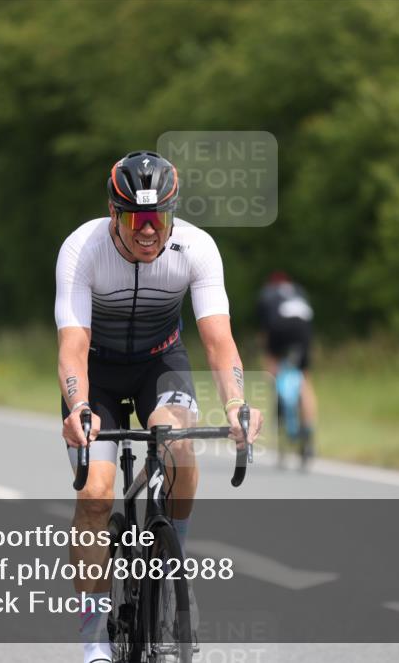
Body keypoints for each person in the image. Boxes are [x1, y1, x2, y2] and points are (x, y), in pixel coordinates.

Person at [55, 150, 263, 663]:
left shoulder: (197, 248)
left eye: (159, 218)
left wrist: (237, 402)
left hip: (159, 362)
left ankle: (173, 570)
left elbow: (218, 341)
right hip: (97, 370)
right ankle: (92, 639)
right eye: (136, 219)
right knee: (97, 495)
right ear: (114, 214)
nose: (149, 231)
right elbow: (72, 347)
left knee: (180, 452)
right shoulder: (82, 249)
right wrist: (79, 406)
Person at [257, 271, 317, 454]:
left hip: (279, 327)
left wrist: (269, 361)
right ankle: (308, 430)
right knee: (305, 379)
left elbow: (265, 330)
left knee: (273, 368)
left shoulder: (267, 294)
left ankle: (280, 399)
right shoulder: (299, 291)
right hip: (303, 328)